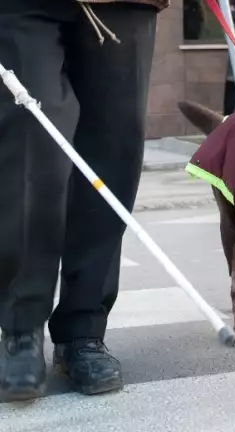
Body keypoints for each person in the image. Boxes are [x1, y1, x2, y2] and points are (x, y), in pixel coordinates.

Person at [0, 0, 169, 402]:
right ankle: (21, 328)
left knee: (113, 151)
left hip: (126, 5)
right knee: (32, 144)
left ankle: (83, 331)